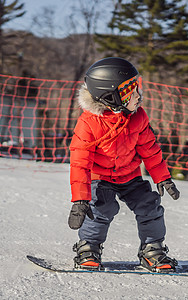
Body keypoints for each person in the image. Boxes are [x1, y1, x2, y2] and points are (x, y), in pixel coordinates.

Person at [67, 57, 180, 273]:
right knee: (101, 207)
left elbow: (150, 149)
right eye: (131, 90)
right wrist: (80, 199)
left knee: (149, 204)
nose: (138, 96)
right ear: (110, 96)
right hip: (101, 178)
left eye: (137, 87)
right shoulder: (89, 123)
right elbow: (79, 163)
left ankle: (152, 250)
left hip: (130, 175)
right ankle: (88, 248)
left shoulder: (137, 117)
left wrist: (163, 177)